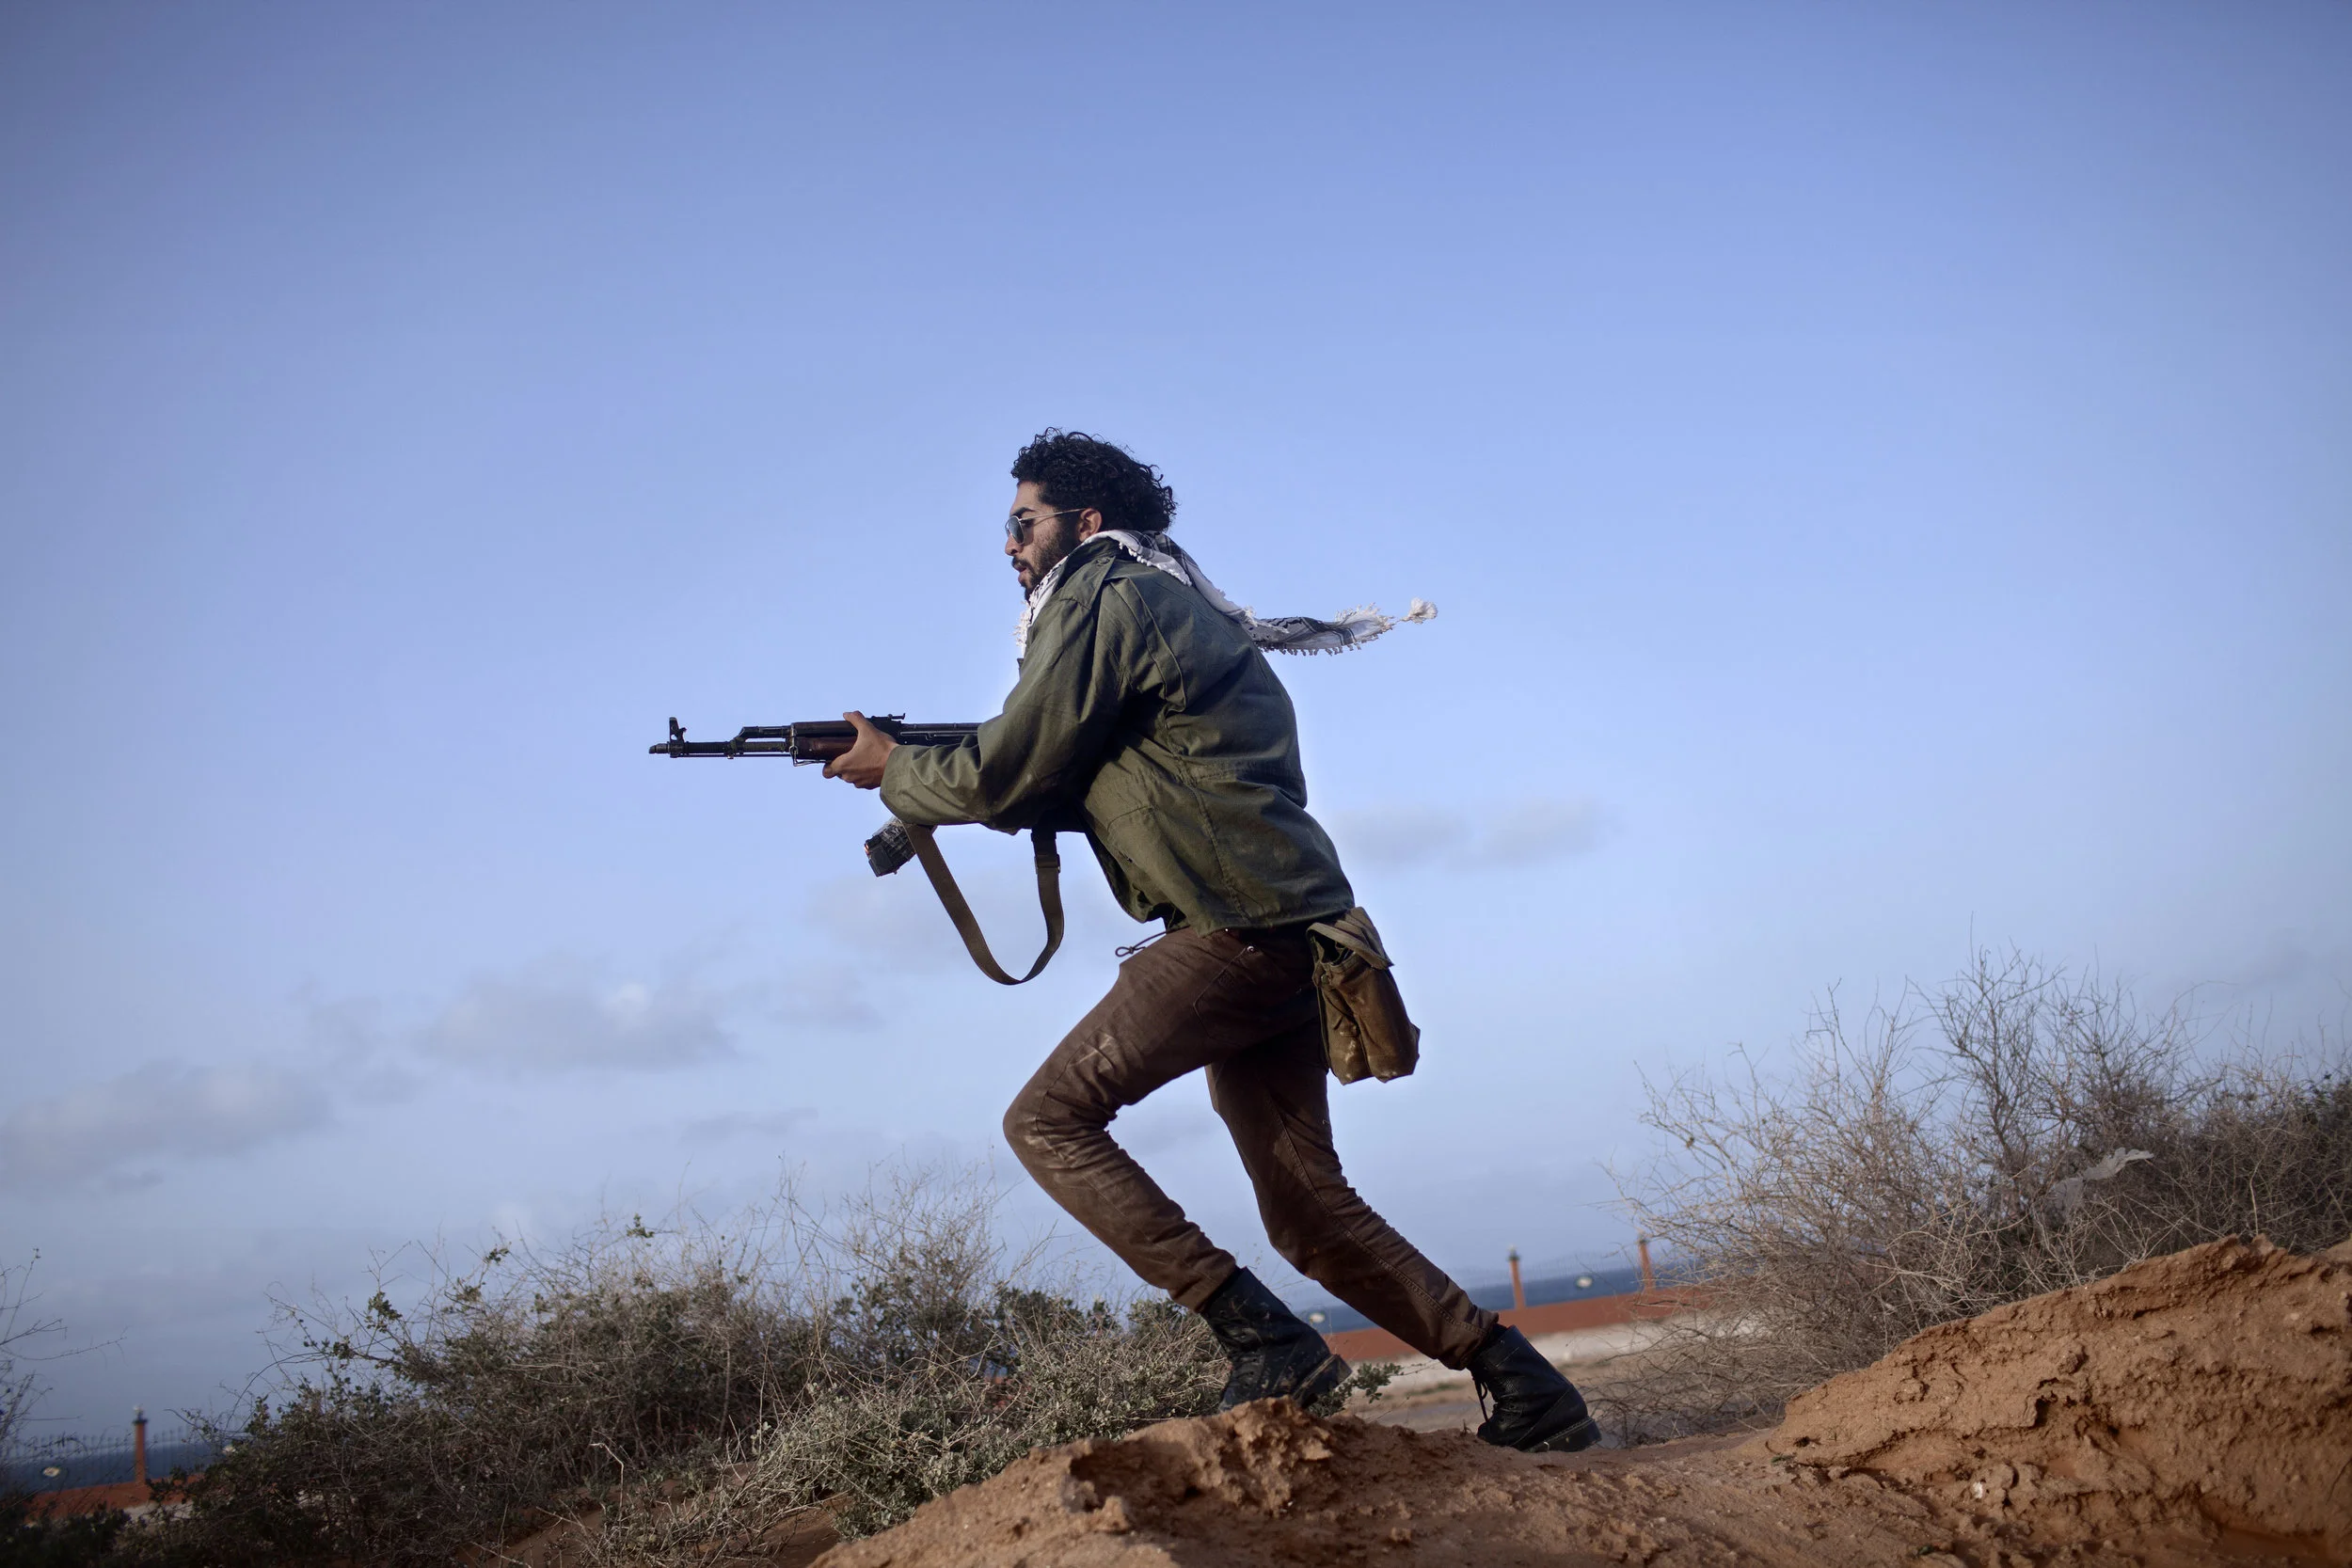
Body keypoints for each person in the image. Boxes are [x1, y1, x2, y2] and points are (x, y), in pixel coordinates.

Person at [821, 429, 1597, 1452]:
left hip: (1234, 924)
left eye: (1023, 523)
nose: (1008, 545)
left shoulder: (1107, 592)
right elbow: (1068, 773)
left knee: (1048, 1119)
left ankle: (1259, 1333)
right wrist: (921, 770)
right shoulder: (1155, 597)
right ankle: (1523, 1381)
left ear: (1084, 524)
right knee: (1309, 1212)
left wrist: (898, 768)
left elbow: (1012, 761)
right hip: (1284, 924)